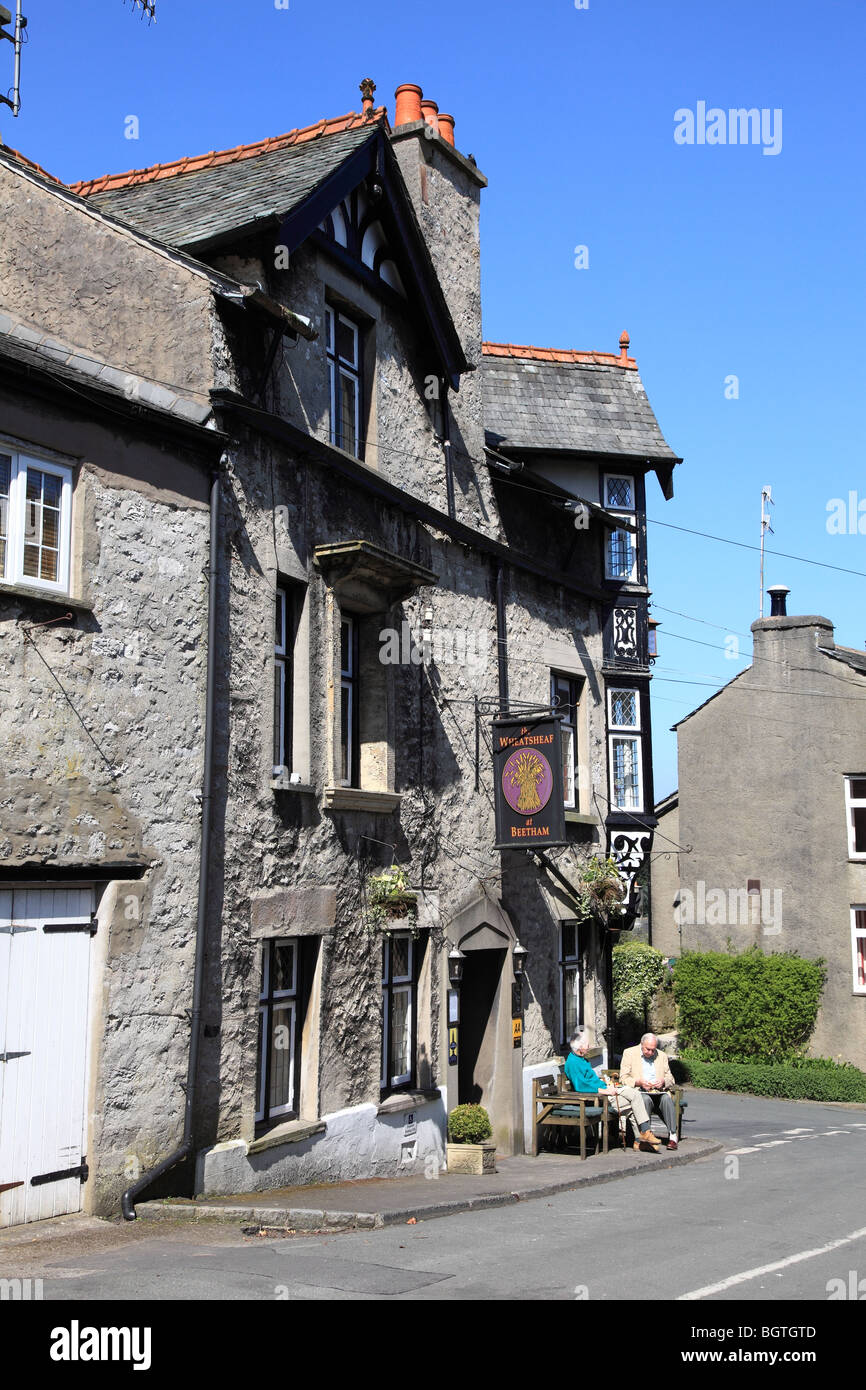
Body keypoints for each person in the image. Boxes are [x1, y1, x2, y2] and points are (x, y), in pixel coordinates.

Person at [564, 1032, 661, 1150]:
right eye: (587, 1045)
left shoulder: (581, 1059)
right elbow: (581, 1086)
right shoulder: (573, 1062)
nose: (589, 1047)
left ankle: (641, 1138)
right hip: (597, 1097)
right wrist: (606, 1091)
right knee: (634, 1101)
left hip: (603, 1091)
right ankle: (642, 1137)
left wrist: (607, 1085)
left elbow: (591, 1081)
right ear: (580, 1048)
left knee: (634, 1096)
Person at [619, 1032, 679, 1150]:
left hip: (658, 1091)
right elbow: (623, 1078)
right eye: (648, 1049)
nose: (651, 1052)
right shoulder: (629, 1053)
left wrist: (663, 1081)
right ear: (642, 1044)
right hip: (640, 1091)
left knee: (667, 1099)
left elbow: (671, 1078)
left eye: (653, 1050)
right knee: (644, 1099)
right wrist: (639, 1082)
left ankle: (673, 1137)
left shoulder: (661, 1056)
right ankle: (646, 1135)